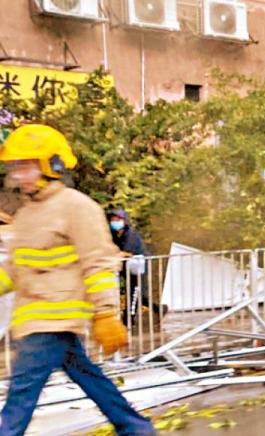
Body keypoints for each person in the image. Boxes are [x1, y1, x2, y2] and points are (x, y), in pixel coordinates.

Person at [0, 124, 154, 435]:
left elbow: (97, 263)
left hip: (53, 319)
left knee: (20, 395)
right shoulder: (27, 214)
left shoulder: (77, 207)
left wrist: (106, 313)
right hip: (36, 320)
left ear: (51, 165)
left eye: (27, 166)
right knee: (89, 376)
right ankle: (136, 428)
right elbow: (16, 270)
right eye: (17, 167)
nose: (21, 175)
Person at [108, 209, 164, 327]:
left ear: (124, 220)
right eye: (112, 219)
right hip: (126, 267)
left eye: (117, 219)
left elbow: (127, 252)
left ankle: (128, 320)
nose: (114, 222)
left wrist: (114, 255)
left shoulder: (130, 234)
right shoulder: (114, 234)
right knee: (138, 295)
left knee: (133, 293)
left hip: (138, 267)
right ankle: (159, 309)